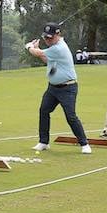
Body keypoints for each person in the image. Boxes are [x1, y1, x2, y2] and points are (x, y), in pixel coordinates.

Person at [26, 22, 91, 154]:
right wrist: (38, 50)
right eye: (46, 38)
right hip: (53, 88)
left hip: (68, 88)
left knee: (70, 116)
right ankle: (43, 142)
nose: (48, 40)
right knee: (44, 110)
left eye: (50, 37)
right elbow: (46, 59)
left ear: (58, 34)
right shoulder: (54, 48)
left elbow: (37, 53)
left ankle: (84, 144)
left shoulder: (59, 48)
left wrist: (29, 47)